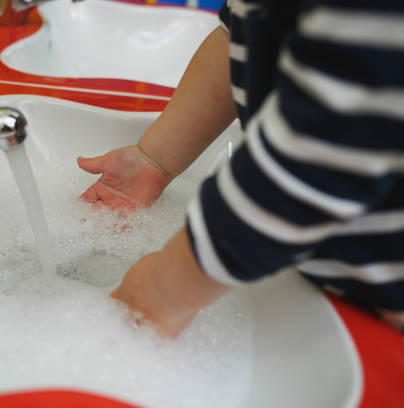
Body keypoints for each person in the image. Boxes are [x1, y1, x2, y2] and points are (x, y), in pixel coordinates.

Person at [77, 0, 404, 337]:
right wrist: (154, 158)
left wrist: (165, 287)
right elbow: (243, 41)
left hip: (383, 306)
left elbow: (317, 159)